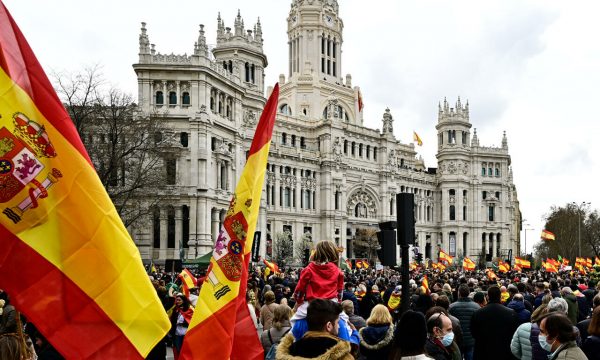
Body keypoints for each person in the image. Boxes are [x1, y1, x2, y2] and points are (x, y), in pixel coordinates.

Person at [291, 240, 344, 336]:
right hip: (332, 303)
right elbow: (340, 291)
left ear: (317, 252)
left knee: (294, 328)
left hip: (311, 304)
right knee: (346, 327)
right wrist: (338, 303)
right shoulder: (337, 270)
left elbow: (299, 290)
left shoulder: (308, 269)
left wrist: (298, 301)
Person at [277, 299, 353, 360]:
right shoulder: (342, 355)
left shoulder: (289, 351)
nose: (339, 326)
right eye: (337, 323)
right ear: (329, 326)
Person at [471, 285, 519, 360]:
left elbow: (474, 333)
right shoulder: (511, 313)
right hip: (504, 351)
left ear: (488, 297)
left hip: (484, 351)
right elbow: (514, 333)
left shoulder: (478, 313)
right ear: (500, 296)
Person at [449, 284, 479, 360]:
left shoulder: (451, 307)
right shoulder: (476, 307)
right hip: (471, 340)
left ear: (459, 293)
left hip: (457, 340)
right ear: (469, 293)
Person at [169, 293, 194, 360]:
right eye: (176, 300)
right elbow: (172, 320)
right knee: (178, 350)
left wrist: (182, 324)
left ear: (183, 300)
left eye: (179, 300)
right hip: (177, 334)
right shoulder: (175, 309)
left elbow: (192, 321)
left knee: (186, 351)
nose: (177, 301)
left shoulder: (189, 310)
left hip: (187, 334)